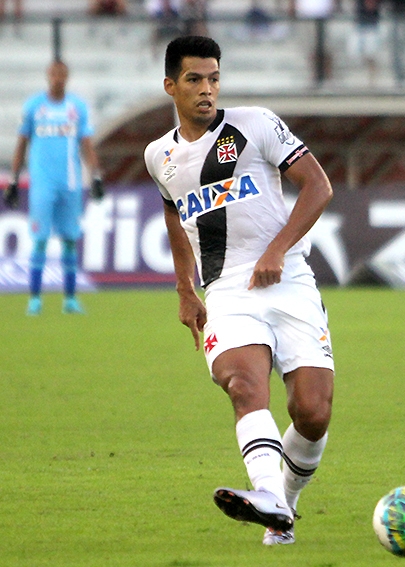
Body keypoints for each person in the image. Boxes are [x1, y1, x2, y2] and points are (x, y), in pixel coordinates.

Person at [144, 36, 335, 546]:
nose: (206, 90)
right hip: (227, 290)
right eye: (194, 80)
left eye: (213, 79)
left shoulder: (255, 124)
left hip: (289, 278)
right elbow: (173, 211)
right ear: (171, 86)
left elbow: (318, 187)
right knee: (244, 386)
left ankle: (282, 509)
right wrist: (185, 288)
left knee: (313, 413)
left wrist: (276, 250)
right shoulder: (158, 155)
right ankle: (267, 494)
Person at [3, 60, 104, 316]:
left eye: (62, 74)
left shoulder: (76, 107)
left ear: (67, 77)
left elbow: (86, 143)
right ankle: (35, 298)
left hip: (70, 182)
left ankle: (70, 299)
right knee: (39, 239)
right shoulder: (35, 107)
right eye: (54, 73)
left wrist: (96, 175)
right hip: (42, 183)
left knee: (70, 239)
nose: (58, 78)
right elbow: (22, 143)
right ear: (48, 75)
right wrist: (14, 179)